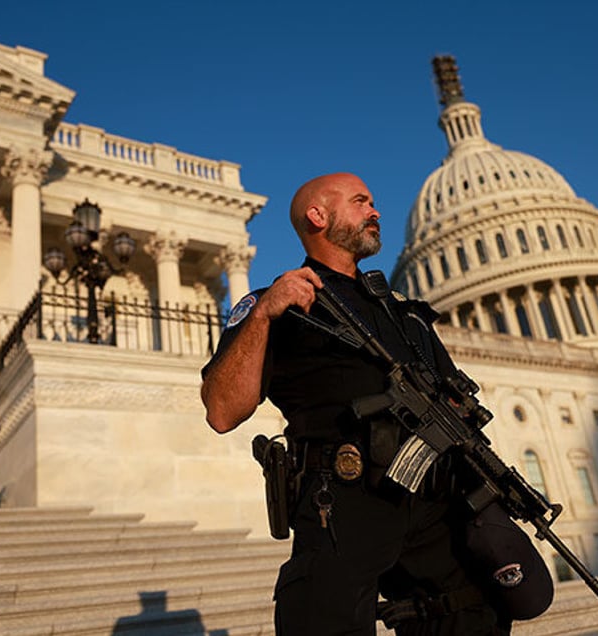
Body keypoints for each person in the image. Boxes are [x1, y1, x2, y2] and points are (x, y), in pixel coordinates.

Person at [201, 173, 552, 635]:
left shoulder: (406, 314)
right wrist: (266, 316)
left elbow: (458, 402)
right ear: (318, 216)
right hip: (345, 499)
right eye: (361, 201)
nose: (376, 210)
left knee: (475, 609)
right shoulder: (278, 304)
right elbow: (222, 410)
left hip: (437, 496)